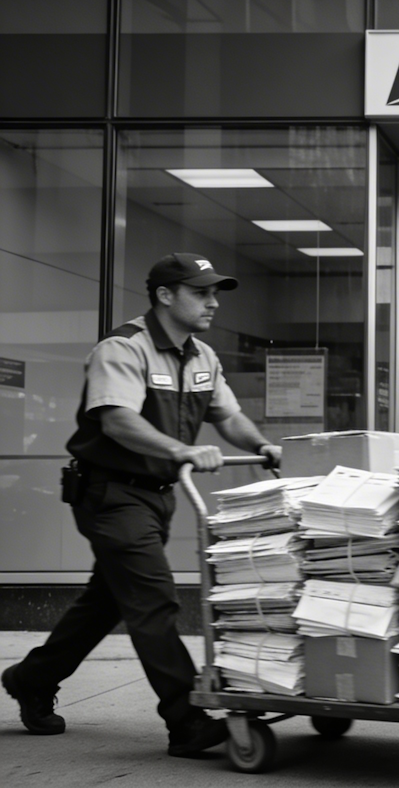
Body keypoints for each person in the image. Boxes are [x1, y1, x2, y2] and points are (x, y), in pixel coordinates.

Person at [2, 253, 282, 757]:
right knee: (155, 601)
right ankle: (186, 719)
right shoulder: (123, 348)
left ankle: (31, 678)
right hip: (110, 493)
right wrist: (182, 450)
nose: (213, 302)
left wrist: (261, 446)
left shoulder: (202, 356)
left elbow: (229, 417)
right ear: (165, 295)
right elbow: (116, 420)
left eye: (215, 293)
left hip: (156, 496)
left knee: (107, 600)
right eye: (201, 292)